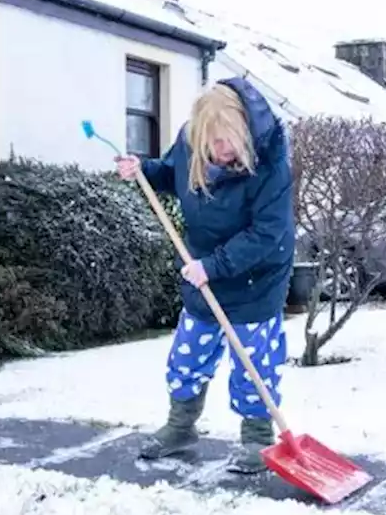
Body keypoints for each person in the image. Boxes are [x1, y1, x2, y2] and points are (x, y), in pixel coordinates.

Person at [115, 77, 294, 474]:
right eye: (210, 142)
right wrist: (143, 170)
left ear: (244, 131)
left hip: (255, 278)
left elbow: (267, 233)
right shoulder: (191, 140)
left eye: (227, 141)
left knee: (253, 363)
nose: (218, 151)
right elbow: (172, 174)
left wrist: (213, 267)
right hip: (202, 270)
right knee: (188, 355)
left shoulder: (271, 163)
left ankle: (258, 439)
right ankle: (181, 427)